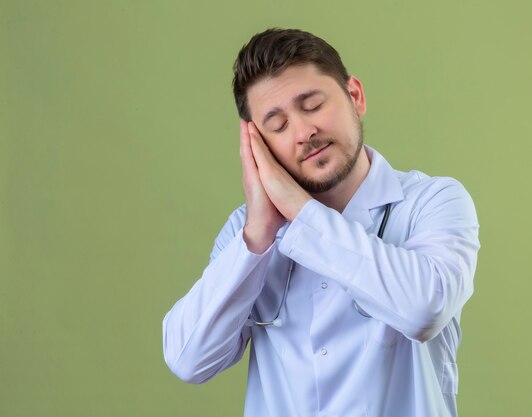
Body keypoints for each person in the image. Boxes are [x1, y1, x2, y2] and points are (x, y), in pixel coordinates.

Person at [162, 28, 480, 417]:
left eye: (312, 105)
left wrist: (299, 209)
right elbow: (188, 359)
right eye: (277, 126)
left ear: (355, 96)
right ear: (257, 146)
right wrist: (258, 237)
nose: (303, 133)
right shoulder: (245, 233)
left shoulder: (432, 202)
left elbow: (423, 309)